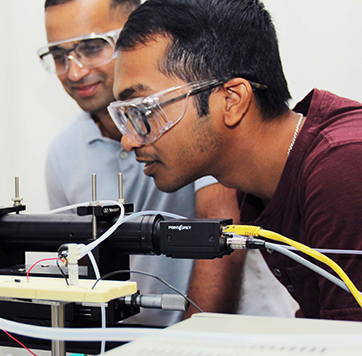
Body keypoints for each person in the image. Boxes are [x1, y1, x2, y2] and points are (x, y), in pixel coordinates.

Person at [39, 0, 296, 325]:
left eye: (92, 47)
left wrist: (184, 350)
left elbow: (220, 223)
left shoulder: (197, 123)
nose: (74, 71)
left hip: (233, 334)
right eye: (60, 56)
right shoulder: (62, 152)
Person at [112, 0, 362, 320]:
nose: (129, 139)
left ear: (231, 100)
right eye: (125, 117)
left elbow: (349, 351)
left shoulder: (342, 167)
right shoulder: (256, 187)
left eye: (144, 110)